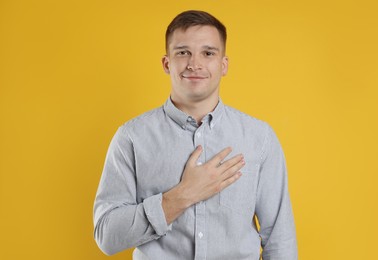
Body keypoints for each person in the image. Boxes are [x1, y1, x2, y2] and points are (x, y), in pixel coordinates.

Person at [93, 10, 297, 260]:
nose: (195, 63)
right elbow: (107, 235)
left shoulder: (259, 138)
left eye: (208, 53)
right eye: (183, 52)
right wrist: (182, 195)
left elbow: (279, 241)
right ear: (167, 63)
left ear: (223, 65)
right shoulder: (131, 138)